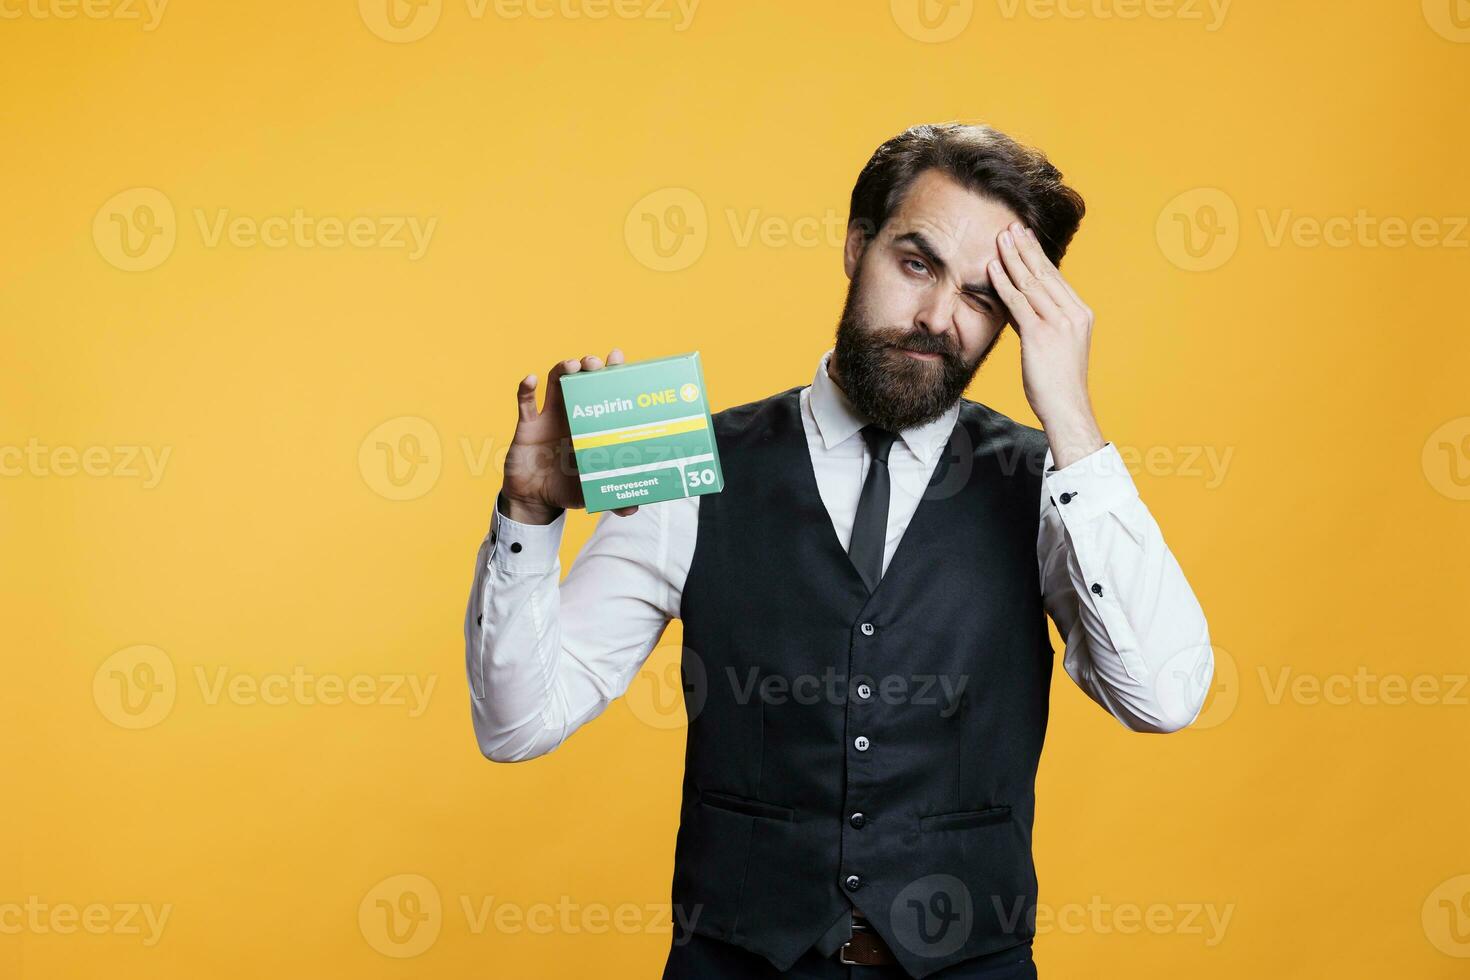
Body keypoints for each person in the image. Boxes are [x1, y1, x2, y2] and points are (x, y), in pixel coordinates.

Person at [464, 122, 1214, 979]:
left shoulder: (1054, 486)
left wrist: (1072, 421)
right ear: (858, 246)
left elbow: (1165, 697)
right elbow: (517, 723)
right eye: (917, 264)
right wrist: (528, 516)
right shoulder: (689, 467)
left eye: (982, 298)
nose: (937, 319)